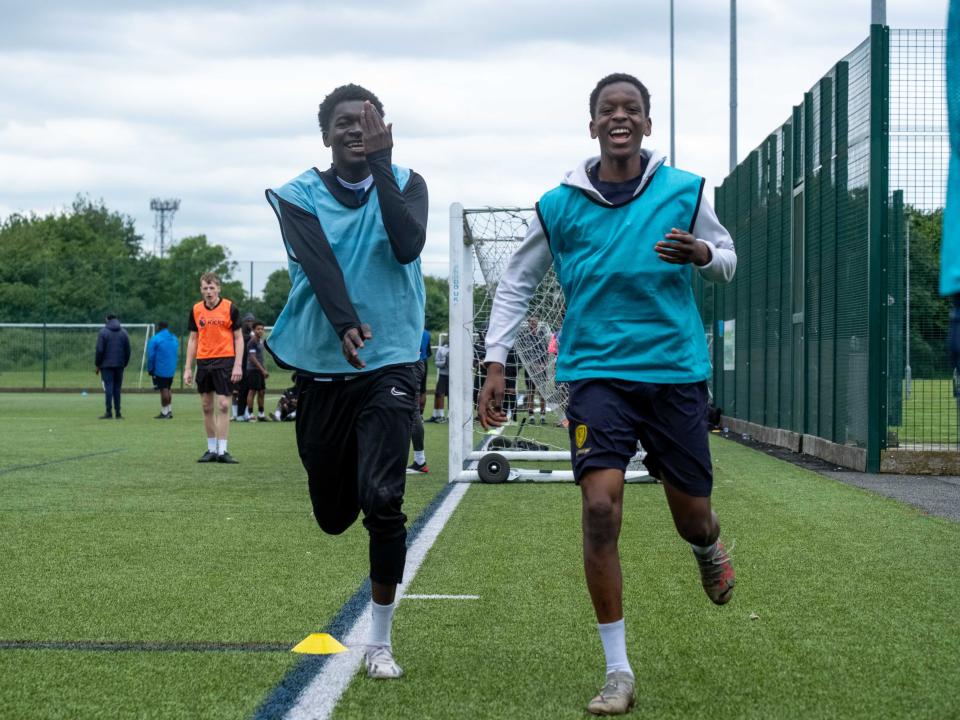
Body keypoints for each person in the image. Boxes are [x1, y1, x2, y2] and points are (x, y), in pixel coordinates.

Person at [478, 73, 738, 715]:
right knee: (600, 506)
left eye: (632, 109)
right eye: (607, 109)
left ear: (648, 124)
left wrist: (703, 252)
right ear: (591, 124)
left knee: (692, 516)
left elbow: (730, 257)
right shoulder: (559, 204)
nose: (619, 117)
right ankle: (617, 671)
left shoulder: (685, 190)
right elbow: (515, 284)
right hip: (596, 375)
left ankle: (708, 545)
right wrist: (494, 361)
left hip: (675, 374)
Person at [264, 83, 427, 679]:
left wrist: (383, 165)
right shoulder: (297, 194)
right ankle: (353, 483)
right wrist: (343, 322)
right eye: (343, 122)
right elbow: (318, 261)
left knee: (384, 500)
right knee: (334, 514)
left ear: (385, 129)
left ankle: (379, 643)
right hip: (322, 367)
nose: (356, 129)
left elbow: (407, 246)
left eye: (367, 121)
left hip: (391, 361)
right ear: (325, 134)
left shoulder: (408, 181)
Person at [183, 272, 243, 464]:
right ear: (201, 290)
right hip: (203, 361)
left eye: (212, 288)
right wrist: (187, 368)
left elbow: (239, 338)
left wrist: (238, 365)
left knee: (224, 405)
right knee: (206, 405)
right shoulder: (196, 310)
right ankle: (211, 449)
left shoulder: (230, 308)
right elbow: (193, 339)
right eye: (205, 288)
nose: (208, 291)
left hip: (225, 361)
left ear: (218, 288)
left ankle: (223, 451)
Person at [95, 314, 131, 419]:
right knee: (117, 388)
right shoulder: (124, 332)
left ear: (107, 320)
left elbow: (99, 350)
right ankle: (118, 413)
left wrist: (97, 364)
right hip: (119, 364)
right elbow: (128, 350)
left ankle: (108, 412)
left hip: (106, 365)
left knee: (108, 387)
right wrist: (125, 363)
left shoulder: (103, 332)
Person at [407, 327, 431, 473]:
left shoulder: (410, 328)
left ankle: (420, 460)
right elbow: (426, 357)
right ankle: (419, 460)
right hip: (418, 365)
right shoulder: (426, 333)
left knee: (412, 411)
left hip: (410, 365)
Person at [521, 315, 551, 424]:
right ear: (529, 323)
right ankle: (531, 416)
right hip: (530, 369)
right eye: (532, 322)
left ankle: (543, 416)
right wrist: (533, 365)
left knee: (542, 392)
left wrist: (544, 364)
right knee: (530, 392)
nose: (533, 324)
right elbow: (524, 353)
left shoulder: (542, 335)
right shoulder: (525, 337)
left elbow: (546, 352)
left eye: (535, 322)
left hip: (541, 368)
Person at [146, 321, 179, 419]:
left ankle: (164, 412)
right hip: (171, 368)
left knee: (163, 389)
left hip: (160, 368)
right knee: (168, 389)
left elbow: (151, 356)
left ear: (159, 327)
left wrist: (150, 368)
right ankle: (169, 410)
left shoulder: (155, 339)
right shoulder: (174, 338)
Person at [245, 320, 270, 421]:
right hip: (253, 370)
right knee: (252, 391)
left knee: (262, 391)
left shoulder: (260, 341)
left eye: (262, 329)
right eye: (258, 329)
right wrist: (262, 370)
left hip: (259, 370)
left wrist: (264, 369)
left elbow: (260, 357)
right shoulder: (252, 341)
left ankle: (261, 414)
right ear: (254, 330)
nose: (260, 331)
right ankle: (250, 414)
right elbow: (252, 358)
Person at [234, 313, 255, 421]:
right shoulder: (242, 335)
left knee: (248, 390)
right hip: (241, 366)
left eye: (251, 321)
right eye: (248, 321)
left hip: (250, 367)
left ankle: (246, 413)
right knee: (241, 390)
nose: (250, 323)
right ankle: (239, 414)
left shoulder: (252, 334)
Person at [427, 339, 449, 423]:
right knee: (439, 394)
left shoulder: (458, 348)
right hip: (443, 375)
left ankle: (450, 416)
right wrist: (444, 362)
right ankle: (439, 415)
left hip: (454, 376)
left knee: (452, 396)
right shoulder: (441, 349)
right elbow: (437, 363)